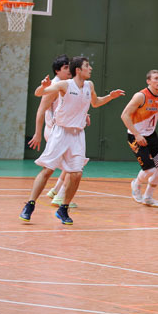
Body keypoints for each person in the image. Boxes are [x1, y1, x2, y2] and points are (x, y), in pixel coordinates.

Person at [20, 56, 124, 225]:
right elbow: (39, 93)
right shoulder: (64, 85)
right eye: (87, 66)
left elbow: (95, 102)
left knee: (76, 174)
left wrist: (110, 97)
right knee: (47, 170)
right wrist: (43, 86)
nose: (90, 69)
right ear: (78, 70)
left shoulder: (89, 85)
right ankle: (30, 205)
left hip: (78, 135)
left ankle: (63, 208)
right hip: (60, 132)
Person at [120, 69, 158, 207]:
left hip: (151, 135)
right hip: (135, 135)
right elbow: (124, 115)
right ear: (148, 81)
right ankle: (136, 184)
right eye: (156, 78)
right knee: (150, 170)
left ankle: (148, 197)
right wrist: (137, 134)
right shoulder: (140, 96)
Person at [27, 55, 77, 207]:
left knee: (72, 163)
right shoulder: (55, 86)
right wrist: (37, 133)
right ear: (57, 71)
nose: (69, 70)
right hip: (54, 131)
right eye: (65, 68)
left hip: (61, 130)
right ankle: (59, 196)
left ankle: (55, 191)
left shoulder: (67, 85)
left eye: (69, 67)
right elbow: (41, 110)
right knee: (72, 164)